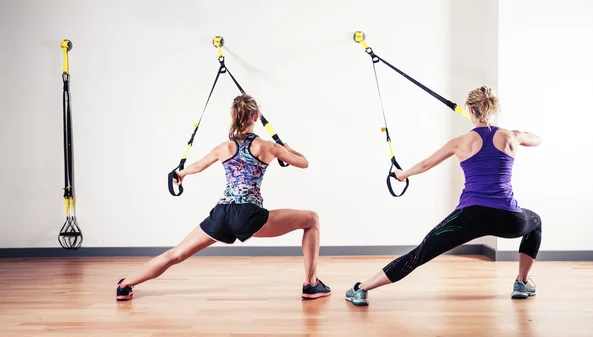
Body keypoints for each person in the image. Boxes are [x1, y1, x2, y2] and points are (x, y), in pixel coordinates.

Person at [116, 94, 330, 301]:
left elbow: (198, 166)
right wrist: (286, 147)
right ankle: (311, 284)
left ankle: (125, 285)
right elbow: (303, 163)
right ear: (255, 117)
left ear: (234, 116)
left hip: (222, 213)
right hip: (249, 215)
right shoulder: (268, 147)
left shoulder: (224, 147)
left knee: (175, 254)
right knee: (312, 219)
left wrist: (181, 174)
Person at [345, 85, 542, 306]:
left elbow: (426, 164)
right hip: (509, 218)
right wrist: (515, 133)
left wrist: (402, 175)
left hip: (470, 217)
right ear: (492, 108)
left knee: (420, 253)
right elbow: (536, 139)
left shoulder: (460, 142)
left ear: (470, 109)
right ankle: (521, 282)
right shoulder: (512, 137)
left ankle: (361, 289)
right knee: (535, 222)